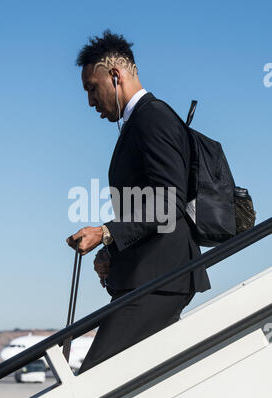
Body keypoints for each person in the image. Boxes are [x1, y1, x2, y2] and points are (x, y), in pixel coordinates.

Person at [66, 29, 210, 374]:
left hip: (160, 279)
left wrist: (104, 232)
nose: (90, 102)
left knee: (93, 385)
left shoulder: (152, 117)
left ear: (115, 76)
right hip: (150, 276)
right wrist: (111, 253)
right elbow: (145, 208)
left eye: (91, 88)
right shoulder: (141, 122)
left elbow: (168, 203)